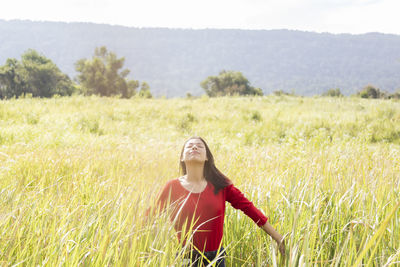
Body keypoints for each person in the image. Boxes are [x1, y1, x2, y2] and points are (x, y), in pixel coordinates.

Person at [151, 137, 285, 266]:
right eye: (189, 146)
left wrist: (278, 237)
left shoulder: (220, 185)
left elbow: (249, 209)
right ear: (182, 157)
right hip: (187, 257)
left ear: (207, 157)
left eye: (199, 145)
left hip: (216, 258)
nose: (194, 147)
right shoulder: (172, 187)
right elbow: (150, 216)